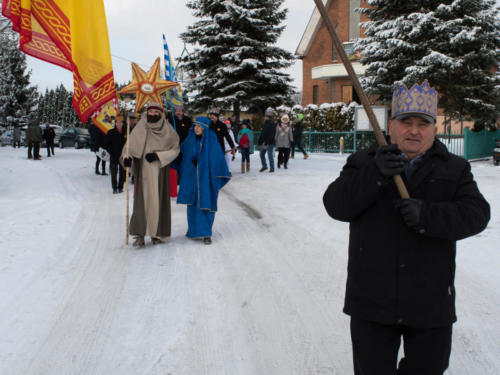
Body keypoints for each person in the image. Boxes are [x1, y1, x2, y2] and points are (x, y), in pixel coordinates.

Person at [322, 80, 490, 375]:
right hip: (372, 301)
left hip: (430, 302)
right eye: (406, 122)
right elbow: (336, 205)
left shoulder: (454, 168)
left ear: (434, 129)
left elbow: (477, 214)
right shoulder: (364, 161)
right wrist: (375, 173)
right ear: (391, 126)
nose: (414, 131)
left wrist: (428, 215)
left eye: (422, 124)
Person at [122, 102, 180, 247]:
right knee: (141, 203)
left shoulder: (167, 129)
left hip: (160, 170)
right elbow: (128, 149)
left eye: (156, 112)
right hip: (143, 172)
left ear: (160, 113)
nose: (153, 114)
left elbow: (175, 149)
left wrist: (158, 156)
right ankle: (140, 234)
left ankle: (156, 234)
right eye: (151, 111)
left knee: (158, 201)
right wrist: (127, 159)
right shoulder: (139, 127)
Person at [177, 116, 230, 245]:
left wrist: (202, 163)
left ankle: (206, 233)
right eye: (195, 126)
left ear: (205, 128)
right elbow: (182, 155)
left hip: (207, 179)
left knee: (206, 204)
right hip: (192, 178)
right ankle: (193, 230)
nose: (196, 128)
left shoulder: (212, 140)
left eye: (199, 126)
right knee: (193, 204)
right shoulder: (189, 140)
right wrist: (183, 159)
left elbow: (218, 158)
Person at [105, 120, 126, 194]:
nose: (119, 124)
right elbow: (106, 144)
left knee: (122, 172)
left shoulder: (126, 132)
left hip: (123, 156)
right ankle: (114, 187)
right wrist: (111, 152)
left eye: (121, 122)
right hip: (114, 155)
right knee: (114, 172)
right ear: (115, 123)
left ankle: (120, 187)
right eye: (118, 122)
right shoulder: (111, 132)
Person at [258, 107, 277, 173]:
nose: (264, 117)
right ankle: (264, 166)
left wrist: (266, 142)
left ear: (268, 117)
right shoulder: (265, 124)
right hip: (264, 142)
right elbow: (262, 133)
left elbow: (272, 135)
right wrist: (260, 140)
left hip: (270, 143)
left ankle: (272, 168)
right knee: (261, 154)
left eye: (265, 116)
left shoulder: (272, 124)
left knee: (270, 156)